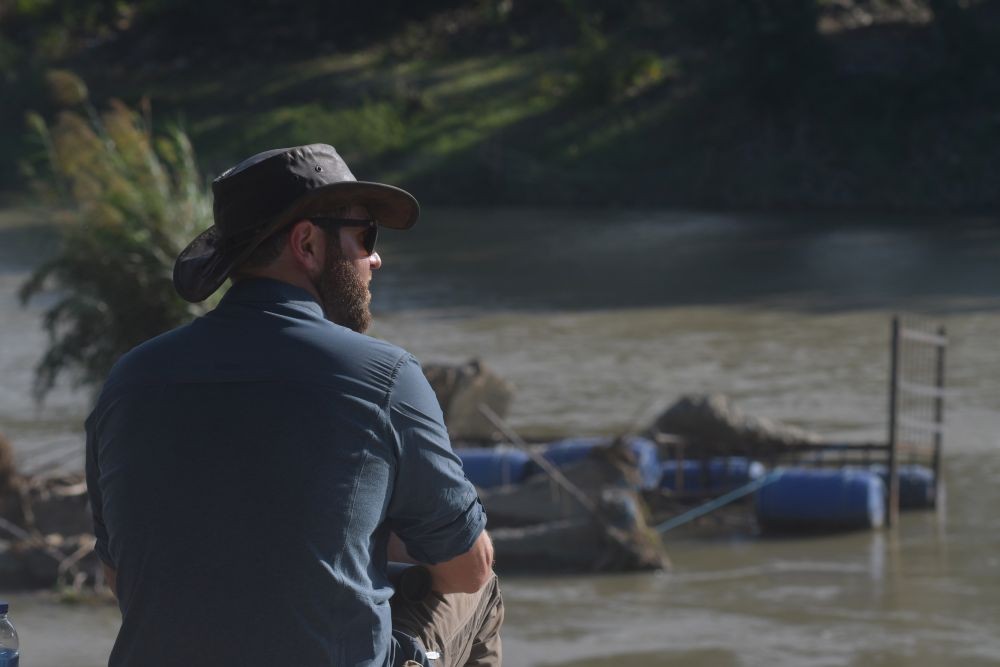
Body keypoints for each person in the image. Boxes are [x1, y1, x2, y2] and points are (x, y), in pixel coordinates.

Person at [85, 144, 503, 667]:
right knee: (480, 593)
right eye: (364, 234)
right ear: (306, 242)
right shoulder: (385, 377)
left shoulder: (128, 380)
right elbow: (467, 569)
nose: (376, 257)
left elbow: (122, 577)